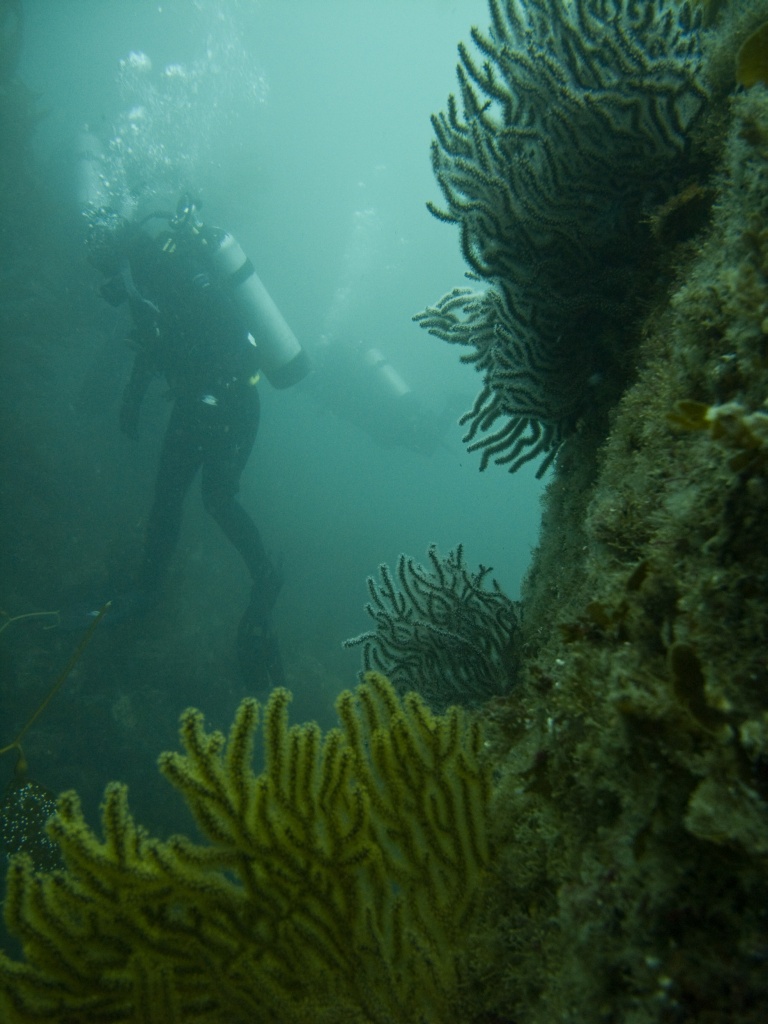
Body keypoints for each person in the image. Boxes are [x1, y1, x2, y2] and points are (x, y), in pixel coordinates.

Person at [86, 196, 299, 691]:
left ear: (116, 243)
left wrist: (159, 376)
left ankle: (258, 578)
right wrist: (133, 399)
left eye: (98, 252)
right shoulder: (148, 275)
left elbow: (217, 332)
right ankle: (153, 586)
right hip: (207, 401)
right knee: (180, 494)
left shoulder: (163, 264)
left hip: (228, 401)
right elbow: (154, 342)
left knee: (213, 498)